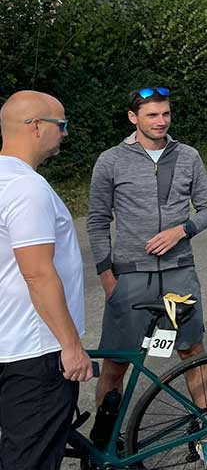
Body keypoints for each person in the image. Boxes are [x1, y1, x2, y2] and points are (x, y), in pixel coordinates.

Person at [86, 87, 207, 463]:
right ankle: (106, 439)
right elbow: (97, 221)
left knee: (192, 352)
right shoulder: (111, 161)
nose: (161, 121)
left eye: (165, 114)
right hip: (130, 277)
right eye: (152, 115)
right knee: (117, 361)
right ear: (134, 118)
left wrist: (183, 230)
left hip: (179, 272)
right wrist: (105, 275)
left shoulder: (188, 156)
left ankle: (206, 431)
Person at [0, 91, 92, 470]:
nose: (65, 134)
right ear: (36, 127)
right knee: (31, 459)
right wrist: (70, 346)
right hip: (35, 352)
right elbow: (37, 272)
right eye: (62, 124)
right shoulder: (27, 188)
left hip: (8, 342)